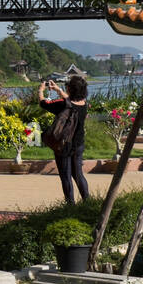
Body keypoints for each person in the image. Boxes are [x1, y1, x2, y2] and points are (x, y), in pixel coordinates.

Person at [40, 75, 89, 204]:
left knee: (66, 176)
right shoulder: (84, 103)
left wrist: (40, 90)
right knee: (78, 174)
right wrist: (57, 89)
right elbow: (69, 100)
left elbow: (43, 103)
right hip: (79, 144)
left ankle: (70, 205)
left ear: (70, 89)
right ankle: (88, 202)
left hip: (64, 145)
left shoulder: (63, 105)